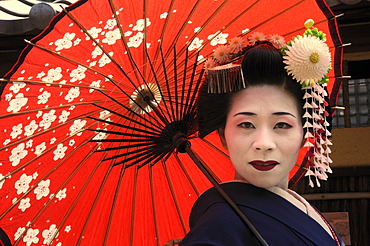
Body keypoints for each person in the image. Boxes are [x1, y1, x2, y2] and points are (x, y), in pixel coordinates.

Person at [178, 24, 345, 246]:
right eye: (246, 124)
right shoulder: (220, 224)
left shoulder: (303, 210)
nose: (263, 144)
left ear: (305, 134)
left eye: (282, 125)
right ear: (223, 136)